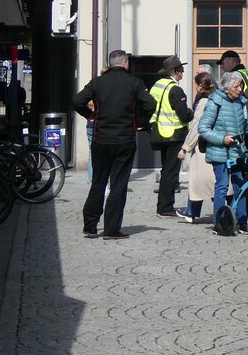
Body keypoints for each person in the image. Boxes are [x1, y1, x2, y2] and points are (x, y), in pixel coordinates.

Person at [72, 49, 155, 240]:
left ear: (110, 64)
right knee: (118, 184)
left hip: (101, 139)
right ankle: (111, 229)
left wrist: (89, 115)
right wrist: (140, 122)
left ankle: (90, 226)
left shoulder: (98, 82)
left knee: (98, 181)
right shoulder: (134, 83)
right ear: (125, 63)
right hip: (124, 139)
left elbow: (77, 100)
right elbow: (150, 104)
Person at [198, 71, 248, 232]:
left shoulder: (241, 102)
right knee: (222, 187)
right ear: (227, 89)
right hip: (220, 153)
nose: (240, 89)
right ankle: (219, 221)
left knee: (240, 186)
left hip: (237, 151)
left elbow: (247, 125)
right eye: (236, 86)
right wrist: (222, 138)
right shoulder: (215, 102)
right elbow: (203, 128)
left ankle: (241, 221)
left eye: (240, 85)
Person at [149, 55, 194, 218]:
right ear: (175, 71)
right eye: (181, 69)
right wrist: (191, 113)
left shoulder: (157, 86)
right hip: (174, 135)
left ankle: (163, 205)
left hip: (160, 132)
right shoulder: (175, 89)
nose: (182, 72)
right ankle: (165, 207)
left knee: (165, 170)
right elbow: (183, 114)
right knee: (170, 172)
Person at [177, 71, 216, 223]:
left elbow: (196, 128)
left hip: (203, 147)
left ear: (200, 86)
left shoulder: (203, 102)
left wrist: (185, 147)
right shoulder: (217, 98)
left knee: (199, 181)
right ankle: (192, 211)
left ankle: (191, 211)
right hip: (215, 145)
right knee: (213, 182)